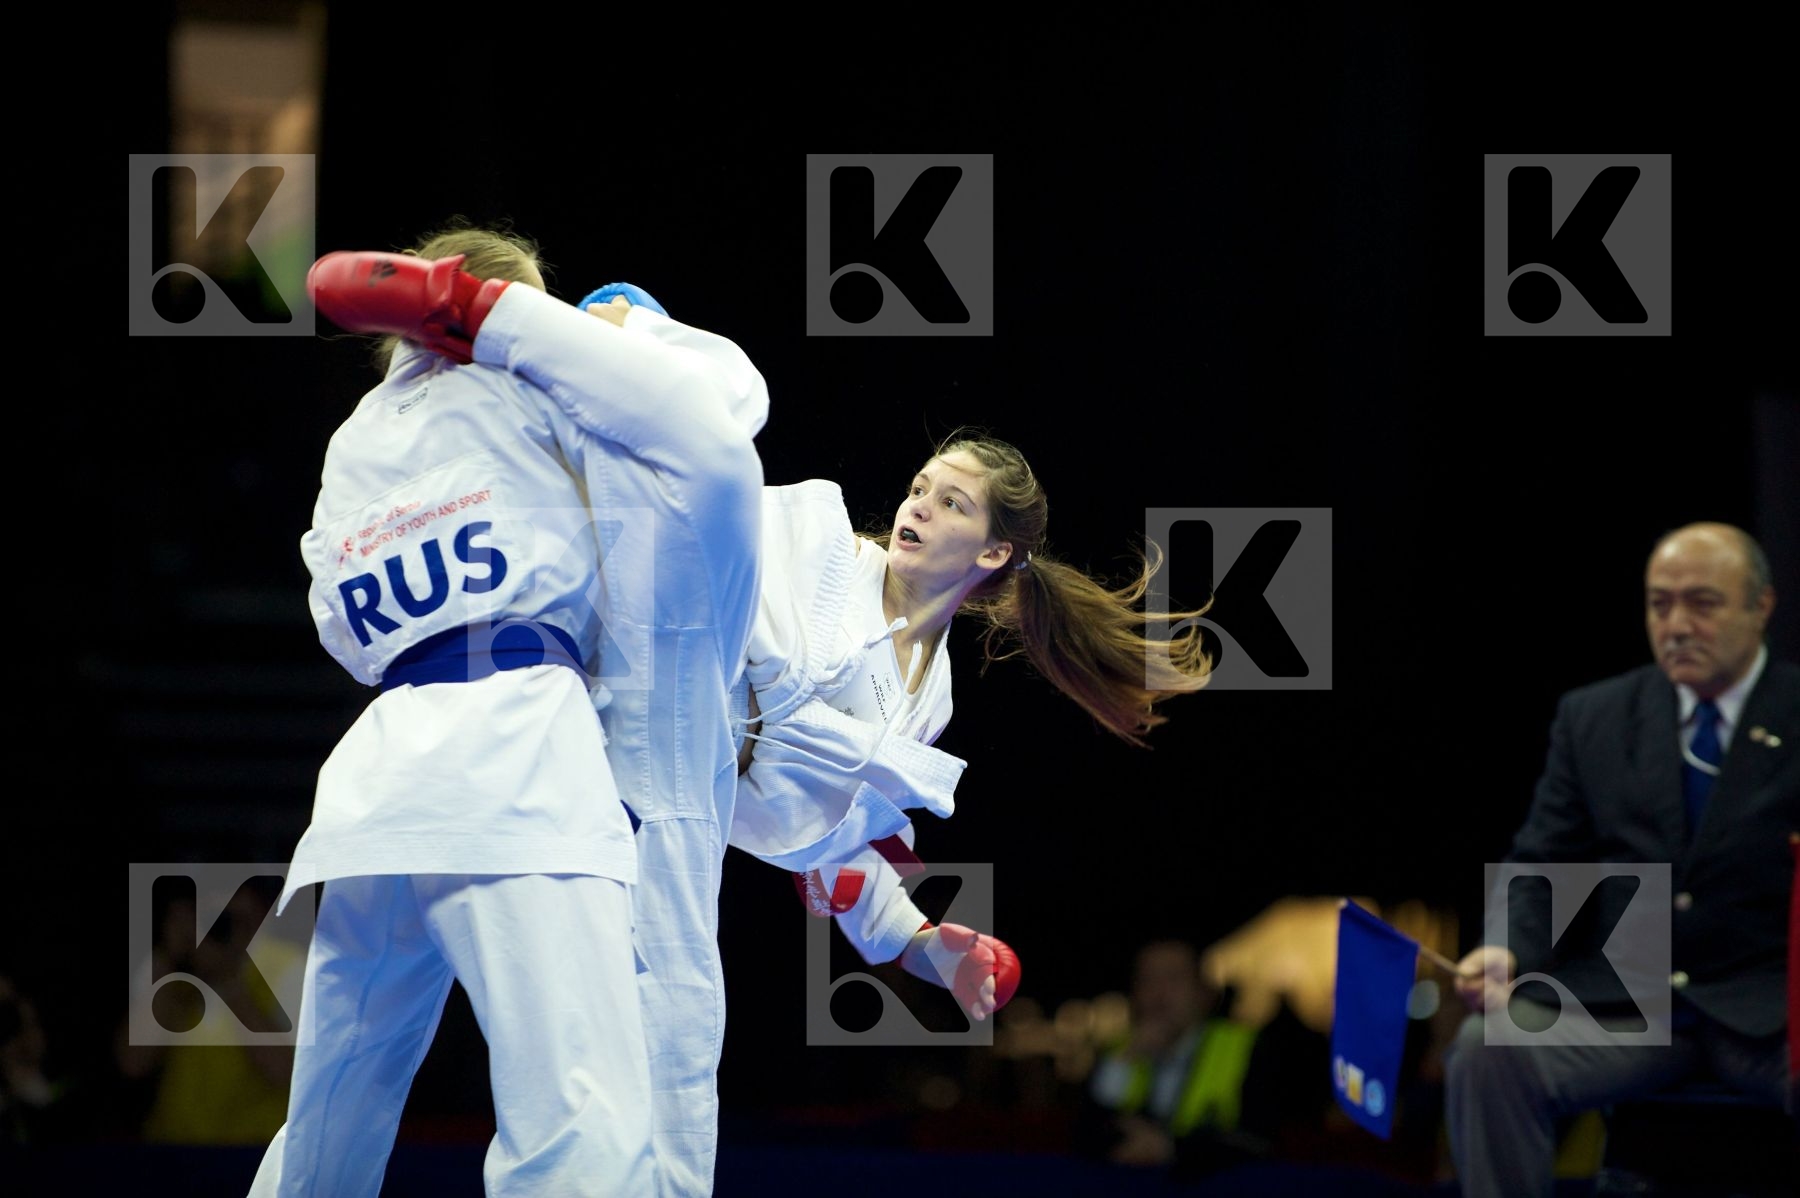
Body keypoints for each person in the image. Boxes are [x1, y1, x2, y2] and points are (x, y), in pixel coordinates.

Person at [245, 222, 769, 1197]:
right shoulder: (530, 376)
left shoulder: (353, 437)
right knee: (584, 1116)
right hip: (519, 761)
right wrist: (619, 328)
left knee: (327, 1130)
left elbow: (336, 620)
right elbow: (715, 411)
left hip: (378, 779)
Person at [727, 431, 1217, 1026]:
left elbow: (845, 847)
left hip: (681, 821)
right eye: (919, 488)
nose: (919, 506)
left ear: (991, 553)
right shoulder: (825, 552)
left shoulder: (930, 704)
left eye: (953, 502)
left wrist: (922, 944)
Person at [1443, 521, 1798, 1198]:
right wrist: (1504, 949)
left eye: (1702, 602)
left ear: (1761, 606)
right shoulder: (1595, 717)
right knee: (1486, 1050)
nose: (1677, 625)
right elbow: (1540, 861)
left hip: (1773, 1009)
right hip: (1633, 1007)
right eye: (1659, 604)